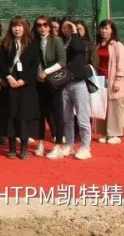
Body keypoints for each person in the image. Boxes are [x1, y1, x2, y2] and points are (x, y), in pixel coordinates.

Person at [45, 19, 93, 160]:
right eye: (65, 27)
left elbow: (77, 47)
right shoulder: (62, 43)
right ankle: (69, 145)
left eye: (71, 27)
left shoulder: (82, 43)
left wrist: (74, 32)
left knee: (82, 117)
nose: (68, 30)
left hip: (79, 84)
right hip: (64, 84)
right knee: (67, 118)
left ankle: (85, 147)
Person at [0, 16, 40, 160]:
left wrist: (24, 80)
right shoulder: (6, 43)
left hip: (26, 87)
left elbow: (34, 65)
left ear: (25, 27)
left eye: (20, 26)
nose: (17, 29)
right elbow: (2, 63)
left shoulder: (32, 44)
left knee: (23, 116)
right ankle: (11, 148)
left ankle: (23, 148)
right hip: (10, 85)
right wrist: (8, 77)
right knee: (10, 116)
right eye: (14, 26)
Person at [32, 15, 66, 157]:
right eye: (39, 25)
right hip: (39, 83)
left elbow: (62, 61)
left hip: (53, 82)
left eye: (45, 25)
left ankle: (58, 146)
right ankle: (40, 143)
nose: (42, 28)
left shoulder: (56, 40)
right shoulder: (34, 42)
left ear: (49, 26)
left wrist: (46, 72)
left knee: (57, 113)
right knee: (40, 114)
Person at [95, 20, 124, 145]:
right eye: (102, 28)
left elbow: (121, 63)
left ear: (112, 30)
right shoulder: (98, 45)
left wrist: (118, 79)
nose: (104, 31)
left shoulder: (117, 45)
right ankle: (104, 132)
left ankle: (114, 133)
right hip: (100, 79)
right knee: (102, 107)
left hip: (112, 79)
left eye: (106, 28)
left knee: (114, 107)